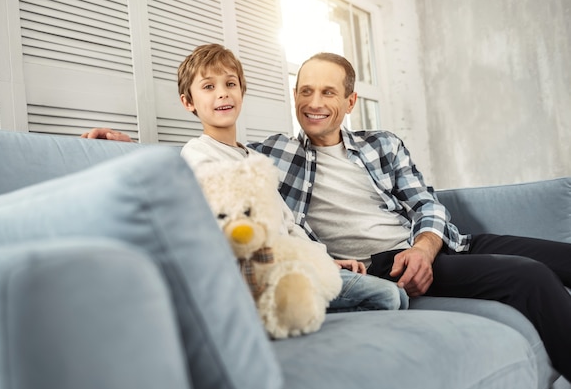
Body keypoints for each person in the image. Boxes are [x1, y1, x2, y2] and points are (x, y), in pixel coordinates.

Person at [247, 52, 571, 382]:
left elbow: (426, 205)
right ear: (294, 95)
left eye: (328, 92)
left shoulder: (382, 144)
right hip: (387, 263)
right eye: (305, 90)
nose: (314, 102)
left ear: (350, 101)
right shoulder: (271, 155)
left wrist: (423, 248)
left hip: (442, 244)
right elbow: (213, 153)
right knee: (530, 276)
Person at [83, 44, 409, 312]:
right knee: (388, 296)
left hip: (297, 261)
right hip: (266, 270)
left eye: (230, 84)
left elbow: (288, 223)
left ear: (242, 91)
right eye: (208, 87)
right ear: (188, 102)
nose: (222, 94)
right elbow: (181, 177)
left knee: (398, 296)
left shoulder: (257, 158)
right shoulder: (197, 154)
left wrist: (328, 260)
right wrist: (129, 148)